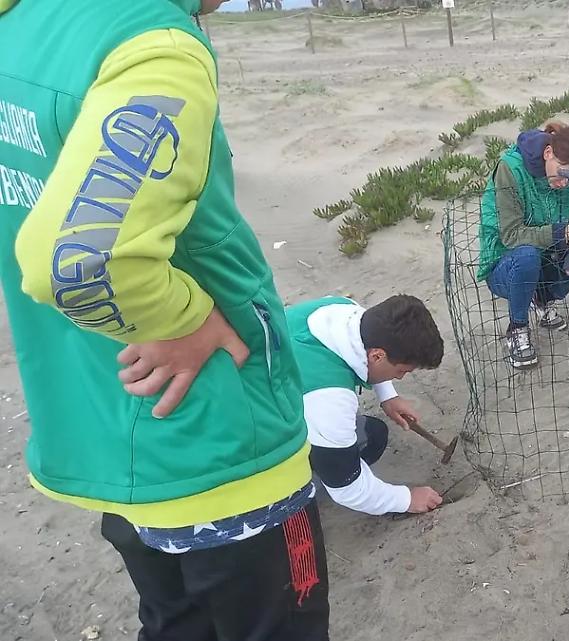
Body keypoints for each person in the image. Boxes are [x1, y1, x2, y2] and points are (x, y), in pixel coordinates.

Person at [0, 0, 334, 639]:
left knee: (174, 623)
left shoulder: (23, 30)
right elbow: (73, 259)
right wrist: (178, 319)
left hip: (101, 431)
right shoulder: (152, 44)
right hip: (216, 446)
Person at [286, 295, 446, 516]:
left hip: (269, 395)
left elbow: (368, 352)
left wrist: (388, 395)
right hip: (243, 446)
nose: (399, 378)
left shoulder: (344, 309)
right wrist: (407, 499)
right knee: (354, 454)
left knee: (373, 434)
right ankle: (295, 496)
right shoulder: (329, 397)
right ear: (377, 355)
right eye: (401, 371)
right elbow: (347, 489)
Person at [478, 122, 569, 369]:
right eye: (562, 172)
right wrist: (563, 231)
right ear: (548, 153)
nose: (564, 183)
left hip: (548, 258)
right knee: (527, 256)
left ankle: (542, 299)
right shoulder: (510, 169)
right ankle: (517, 329)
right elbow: (511, 235)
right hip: (506, 263)